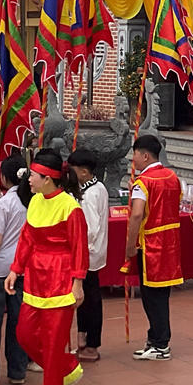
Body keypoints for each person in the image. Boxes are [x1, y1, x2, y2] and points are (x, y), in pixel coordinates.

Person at [6, 150, 89, 385]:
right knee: (25, 334)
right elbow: (26, 240)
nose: (28, 179)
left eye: (33, 175)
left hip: (61, 279)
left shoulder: (70, 208)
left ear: (48, 178)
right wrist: (15, 269)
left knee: (54, 344)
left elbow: (79, 248)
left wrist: (78, 283)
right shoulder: (35, 203)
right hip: (35, 280)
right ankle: (66, 368)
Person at [124, 134, 181, 360]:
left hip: (151, 245)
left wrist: (130, 245)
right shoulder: (172, 176)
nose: (133, 160)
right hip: (170, 242)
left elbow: (137, 214)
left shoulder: (144, 182)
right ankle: (156, 337)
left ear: (145, 155)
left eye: (135, 155)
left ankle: (160, 343)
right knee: (161, 295)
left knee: (151, 296)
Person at [0, 155, 34, 385]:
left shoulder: (4, 205)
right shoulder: (32, 200)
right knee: (18, 321)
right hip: (22, 267)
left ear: (3, 177)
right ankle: (17, 370)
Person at [68, 148, 109, 363]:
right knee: (84, 300)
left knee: (90, 299)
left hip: (89, 253)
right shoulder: (93, 188)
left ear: (84, 172)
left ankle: (92, 343)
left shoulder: (91, 193)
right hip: (91, 252)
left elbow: (90, 228)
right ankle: (83, 338)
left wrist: (78, 246)